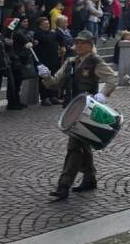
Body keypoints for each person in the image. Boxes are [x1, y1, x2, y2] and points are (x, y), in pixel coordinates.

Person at [40, 31, 117, 199]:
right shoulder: (70, 62)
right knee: (82, 145)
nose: (79, 46)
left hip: (87, 111)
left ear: (90, 45)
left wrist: (103, 94)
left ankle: (64, 185)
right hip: (72, 110)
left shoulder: (95, 61)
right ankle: (90, 178)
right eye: (77, 42)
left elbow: (112, 78)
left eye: (83, 43)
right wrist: (46, 77)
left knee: (74, 147)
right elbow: (55, 84)